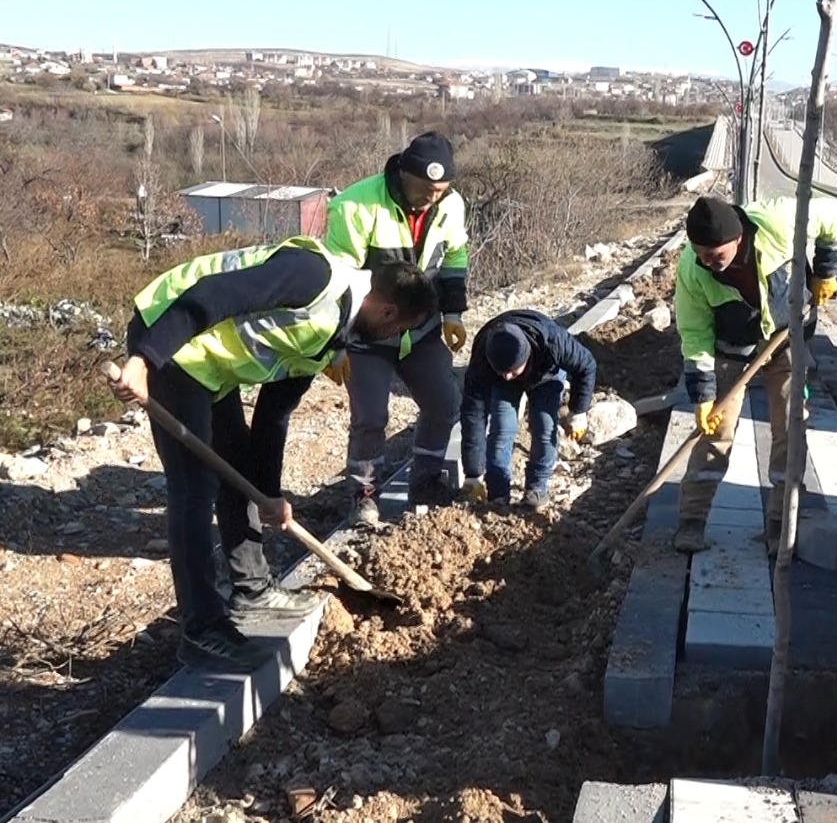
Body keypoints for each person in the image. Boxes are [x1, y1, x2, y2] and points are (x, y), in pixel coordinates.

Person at [110, 237, 436, 671]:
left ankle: (252, 588)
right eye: (398, 330)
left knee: (237, 464)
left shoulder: (334, 336)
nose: (395, 338)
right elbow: (212, 295)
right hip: (170, 340)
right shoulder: (314, 278)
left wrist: (268, 494)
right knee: (194, 488)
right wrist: (144, 359)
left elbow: (273, 415)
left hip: (209, 366)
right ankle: (201, 629)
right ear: (388, 312)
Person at [673, 194, 837, 557]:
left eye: (716, 255)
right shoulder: (692, 268)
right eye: (701, 254)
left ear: (737, 239)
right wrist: (704, 396)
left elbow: (834, 214)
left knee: (790, 427)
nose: (709, 263)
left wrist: (827, 270)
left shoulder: (780, 222)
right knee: (715, 432)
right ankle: (692, 520)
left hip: (787, 338)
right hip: (730, 351)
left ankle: (781, 523)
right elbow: (694, 334)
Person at [324, 132, 471, 520]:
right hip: (367, 334)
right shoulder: (356, 206)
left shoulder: (451, 205)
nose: (433, 197)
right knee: (371, 415)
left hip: (420, 330)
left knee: (443, 402)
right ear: (403, 173)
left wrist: (453, 314)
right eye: (426, 189)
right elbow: (338, 281)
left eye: (441, 190)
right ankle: (364, 492)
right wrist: (334, 342)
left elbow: (454, 256)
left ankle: (425, 480)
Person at [458, 309, 598, 511]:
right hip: (498, 382)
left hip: (545, 375)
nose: (508, 376)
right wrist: (472, 474)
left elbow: (586, 366)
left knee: (544, 427)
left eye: (513, 371)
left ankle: (537, 488)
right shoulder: (483, 361)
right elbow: (473, 415)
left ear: (525, 357)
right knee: (501, 430)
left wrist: (578, 411)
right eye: (502, 371)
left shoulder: (553, 342)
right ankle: (497, 495)